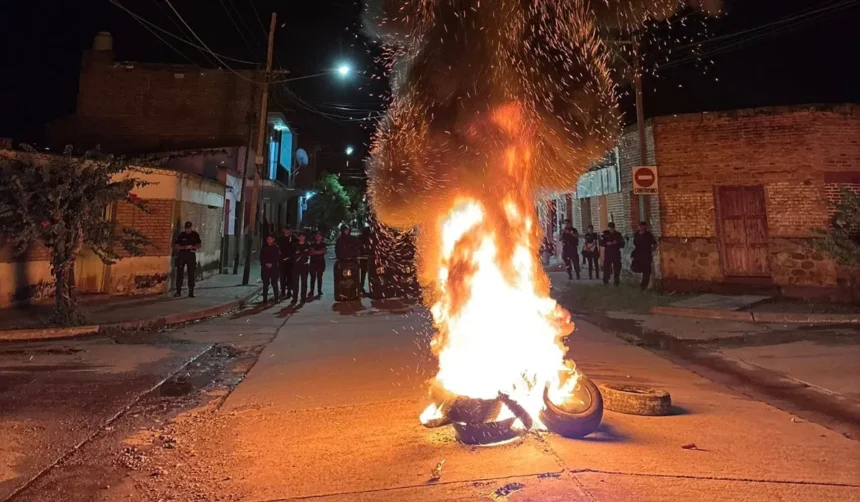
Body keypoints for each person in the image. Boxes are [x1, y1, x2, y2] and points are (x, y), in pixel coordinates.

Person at [173, 221, 201, 298]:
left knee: (191, 273)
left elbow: (199, 245)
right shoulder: (181, 235)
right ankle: (178, 291)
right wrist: (184, 247)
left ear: (191, 228)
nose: (187, 230)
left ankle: (191, 292)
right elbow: (176, 246)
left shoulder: (195, 235)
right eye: (186, 228)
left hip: (191, 255)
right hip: (182, 255)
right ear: (185, 228)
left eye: (189, 228)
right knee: (180, 273)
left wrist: (192, 247)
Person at [632, 221, 658, 291]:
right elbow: (634, 243)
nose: (641, 227)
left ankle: (643, 286)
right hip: (638, 255)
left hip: (646, 255)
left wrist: (651, 250)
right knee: (635, 268)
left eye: (643, 226)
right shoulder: (636, 234)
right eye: (640, 226)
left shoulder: (648, 235)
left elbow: (655, 244)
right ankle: (640, 283)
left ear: (645, 227)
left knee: (646, 272)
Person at [600, 222, 625, 286]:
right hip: (608, 254)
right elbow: (601, 242)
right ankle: (606, 281)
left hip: (616, 254)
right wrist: (606, 243)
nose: (611, 230)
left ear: (614, 228)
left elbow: (622, 244)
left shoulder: (618, 234)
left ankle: (616, 282)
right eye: (610, 228)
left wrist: (616, 242)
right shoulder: (604, 233)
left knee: (617, 268)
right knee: (606, 268)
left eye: (612, 228)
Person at [277, 226, 297, 300]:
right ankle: (283, 291)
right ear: (284, 230)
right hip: (282, 260)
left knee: (290, 277)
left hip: (291, 260)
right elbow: (278, 247)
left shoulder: (294, 238)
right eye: (286, 230)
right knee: (282, 276)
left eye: (289, 230)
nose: (288, 231)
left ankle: (289, 291)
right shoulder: (280, 238)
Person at [259, 234, 281, 303]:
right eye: (268, 239)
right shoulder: (264, 248)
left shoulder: (276, 248)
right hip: (265, 268)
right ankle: (264, 299)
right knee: (265, 284)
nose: (269, 241)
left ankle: (276, 299)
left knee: (274, 284)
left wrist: (272, 264)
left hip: (274, 268)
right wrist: (265, 264)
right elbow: (261, 258)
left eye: (270, 239)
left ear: (273, 239)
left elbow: (278, 258)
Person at [290, 233, 311, 303]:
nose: (301, 238)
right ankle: (295, 297)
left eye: (303, 236)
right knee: (295, 282)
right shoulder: (295, 245)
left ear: (304, 237)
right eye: (300, 237)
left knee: (304, 282)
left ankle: (303, 297)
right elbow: (292, 255)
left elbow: (309, 254)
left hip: (304, 265)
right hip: (296, 265)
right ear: (298, 237)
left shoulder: (307, 245)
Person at [308, 231, 328, 297]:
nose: (318, 237)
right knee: (312, 277)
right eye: (317, 236)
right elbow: (311, 252)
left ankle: (319, 291)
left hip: (320, 261)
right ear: (315, 237)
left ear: (321, 237)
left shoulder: (323, 244)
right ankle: (312, 291)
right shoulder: (312, 244)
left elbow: (323, 251)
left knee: (319, 277)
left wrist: (316, 252)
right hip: (313, 262)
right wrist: (319, 251)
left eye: (319, 236)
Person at [358, 226, 374, 294]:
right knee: (371, 274)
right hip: (368, 258)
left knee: (363, 274)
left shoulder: (360, 237)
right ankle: (371, 287)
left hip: (364, 258)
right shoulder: (370, 237)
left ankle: (361, 287)